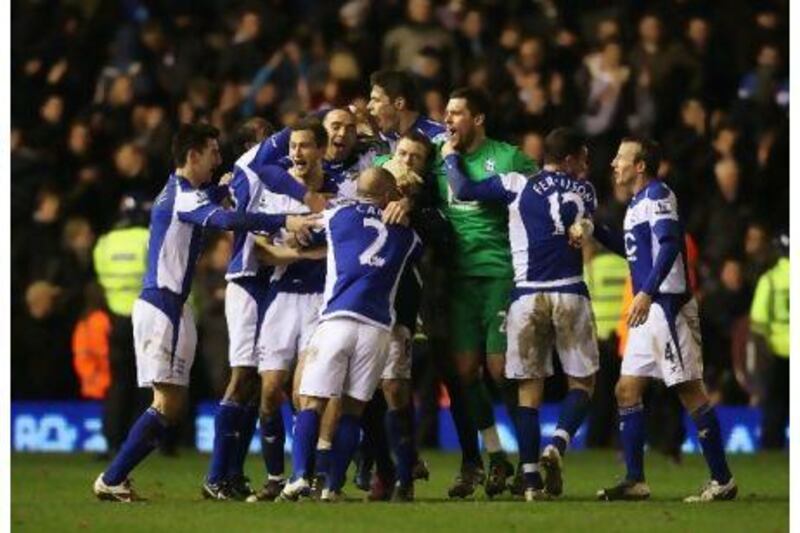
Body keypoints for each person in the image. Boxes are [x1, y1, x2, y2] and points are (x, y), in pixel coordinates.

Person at [93, 122, 318, 502]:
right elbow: (227, 220)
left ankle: (120, 477)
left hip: (174, 306)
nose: (218, 159)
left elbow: (214, 201)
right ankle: (112, 478)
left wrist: (224, 187)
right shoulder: (181, 196)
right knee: (166, 404)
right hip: (161, 305)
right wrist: (284, 220)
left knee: (173, 406)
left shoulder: (185, 193)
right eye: (213, 153)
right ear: (193, 155)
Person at [443, 127, 599, 500]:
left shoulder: (515, 182)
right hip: (570, 292)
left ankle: (529, 481)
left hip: (526, 295)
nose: (586, 165)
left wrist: (450, 156)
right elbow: (588, 227)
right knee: (583, 383)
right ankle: (557, 445)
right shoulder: (586, 190)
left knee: (529, 389)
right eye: (584, 158)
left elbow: (464, 190)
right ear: (571, 158)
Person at [588, 137, 736, 502]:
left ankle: (723, 481)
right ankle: (635, 480)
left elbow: (671, 245)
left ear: (640, 166)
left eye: (621, 158)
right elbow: (633, 250)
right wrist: (595, 231)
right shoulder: (637, 203)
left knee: (690, 390)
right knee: (627, 390)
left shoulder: (658, 196)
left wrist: (647, 292)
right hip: (649, 308)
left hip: (665, 306)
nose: (614, 164)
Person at [279, 167, 422, 502]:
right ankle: (331, 488)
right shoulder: (408, 234)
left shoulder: (337, 215)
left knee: (312, 402)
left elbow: (301, 234)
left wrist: (296, 232)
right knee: (353, 411)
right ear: (389, 196)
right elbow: (418, 253)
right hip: (377, 330)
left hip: (337, 320)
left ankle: (301, 476)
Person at [435, 87, 537, 498]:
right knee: (465, 373)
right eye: (446, 113)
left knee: (499, 369)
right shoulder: (439, 161)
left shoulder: (508, 157)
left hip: (499, 274)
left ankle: (528, 457)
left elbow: (538, 195)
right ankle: (496, 458)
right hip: (458, 279)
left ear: (477, 119)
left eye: (457, 113)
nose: (449, 120)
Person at [92, 194, 151, 456]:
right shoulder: (146, 237)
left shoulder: (104, 242)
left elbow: (101, 277)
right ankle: (142, 441)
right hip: (144, 315)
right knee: (147, 381)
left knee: (118, 382)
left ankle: (112, 440)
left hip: (114, 317)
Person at [750, 233, 789, 449]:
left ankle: (771, 448)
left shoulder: (770, 280)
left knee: (774, 406)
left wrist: (762, 353)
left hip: (776, 351)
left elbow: (758, 322)